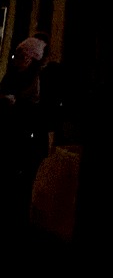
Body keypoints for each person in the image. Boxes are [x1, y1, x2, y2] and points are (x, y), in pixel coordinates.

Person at [0, 35, 61, 229]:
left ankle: (19, 220)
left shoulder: (46, 78)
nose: (18, 61)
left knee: (24, 185)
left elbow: (47, 114)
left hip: (31, 140)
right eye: (17, 56)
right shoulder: (14, 74)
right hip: (12, 137)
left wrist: (19, 105)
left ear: (33, 59)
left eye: (23, 57)